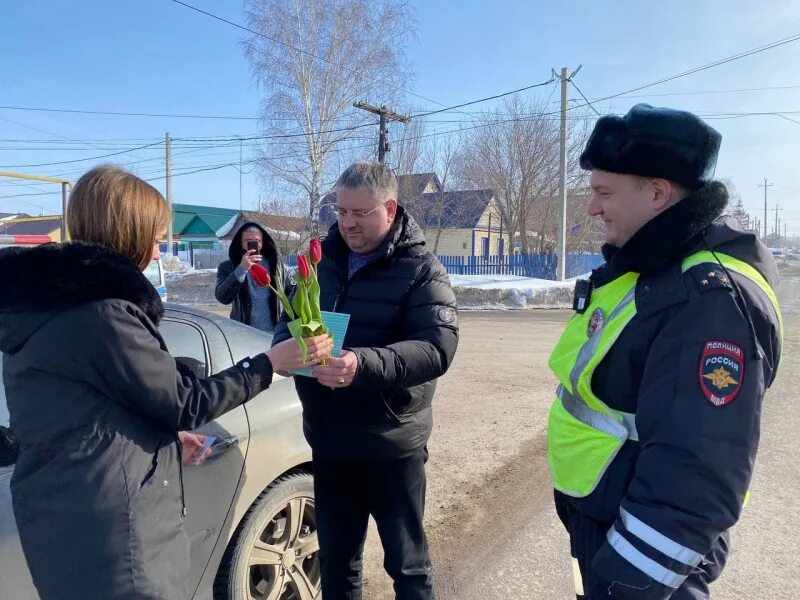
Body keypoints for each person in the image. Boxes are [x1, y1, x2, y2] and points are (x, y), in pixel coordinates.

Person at [0, 165, 332, 600]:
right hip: (115, 536)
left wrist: (165, 438)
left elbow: (87, 411)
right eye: (154, 239)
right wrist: (270, 364)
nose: (157, 254)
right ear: (126, 233)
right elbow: (183, 401)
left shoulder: (43, 306)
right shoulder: (101, 313)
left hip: (66, 518)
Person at [547, 105, 782, 599]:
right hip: (609, 528)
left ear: (657, 193)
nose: (592, 208)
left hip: (647, 567)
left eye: (603, 193)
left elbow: (697, 471)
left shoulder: (707, 297)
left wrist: (625, 582)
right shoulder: (653, 267)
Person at [272, 161, 459, 600]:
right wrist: (289, 350)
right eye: (341, 211)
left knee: (408, 566)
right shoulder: (320, 262)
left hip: (391, 443)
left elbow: (437, 347)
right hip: (331, 440)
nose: (348, 223)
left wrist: (361, 364)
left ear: (389, 209)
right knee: (337, 564)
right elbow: (287, 322)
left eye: (360, 212)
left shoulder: (421, 268)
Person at [215, 221, 292, 332]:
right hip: (244, 335)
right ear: (240, 243)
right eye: (248, 241)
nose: (253, 244)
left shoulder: (278, 266)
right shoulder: (228, 267)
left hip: (274, 334)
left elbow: (292, 297)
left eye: (257, 241)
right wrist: (242, 269)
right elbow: (222, 298)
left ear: (263, 242)